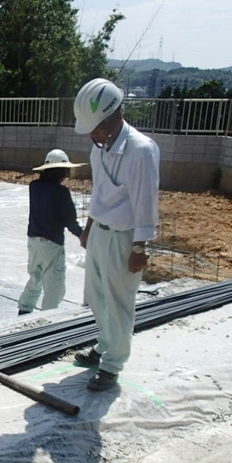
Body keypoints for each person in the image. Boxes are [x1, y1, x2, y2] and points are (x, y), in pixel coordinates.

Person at [72, 78, 160, 391]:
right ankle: (105, 344)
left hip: (124, 239)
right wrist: (89, 227)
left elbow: (145, 202)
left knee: (119, 301)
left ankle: (112, 364)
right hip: (100, 234)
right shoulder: (101, 149)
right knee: (96, 295)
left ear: (111, 119)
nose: (92, 135)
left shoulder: (140, 151)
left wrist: (140, 247)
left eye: (95, 128)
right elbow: (99, 192)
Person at [17, 149, 85, 315]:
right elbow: (70, 221)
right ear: (62, 172)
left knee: (35, 277)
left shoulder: (34, 187)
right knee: (55, 285)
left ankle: (24, 309)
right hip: (51, 244)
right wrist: (84, 236)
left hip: (33, 242)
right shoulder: (61, 192)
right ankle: (48, 318)